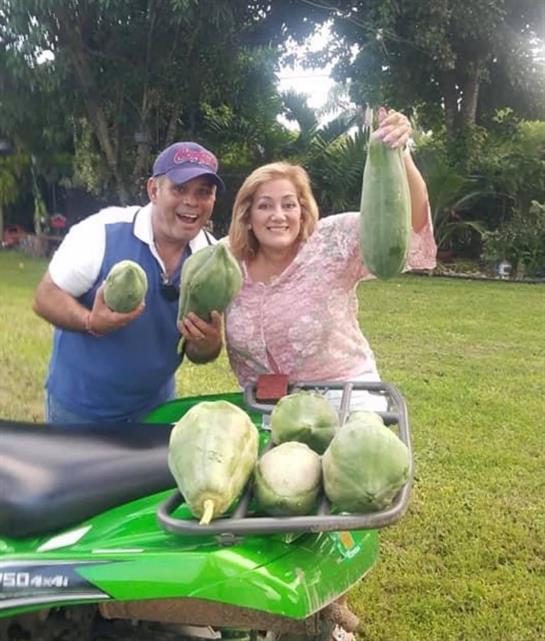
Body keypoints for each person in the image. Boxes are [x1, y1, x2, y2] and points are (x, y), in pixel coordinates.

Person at [224, 110, 437, 410]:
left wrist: (399, 153)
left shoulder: (333, 239)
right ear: (247, 216)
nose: (278, 216)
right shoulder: (227, 262)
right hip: (263, 407)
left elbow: (409, 224)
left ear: (302, 211)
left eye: (289, 204)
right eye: (264, 206)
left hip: (345, 396)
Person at [33, 142, 224, 424]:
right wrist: (91, 322)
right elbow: (45, 296)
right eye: (179, 189)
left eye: (203, 192)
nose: (192, 202)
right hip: (80, 409)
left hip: (155, 408)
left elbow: (197, 352)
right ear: (153, 190)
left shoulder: (213, 259)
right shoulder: (102, 232)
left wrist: (208, 344)